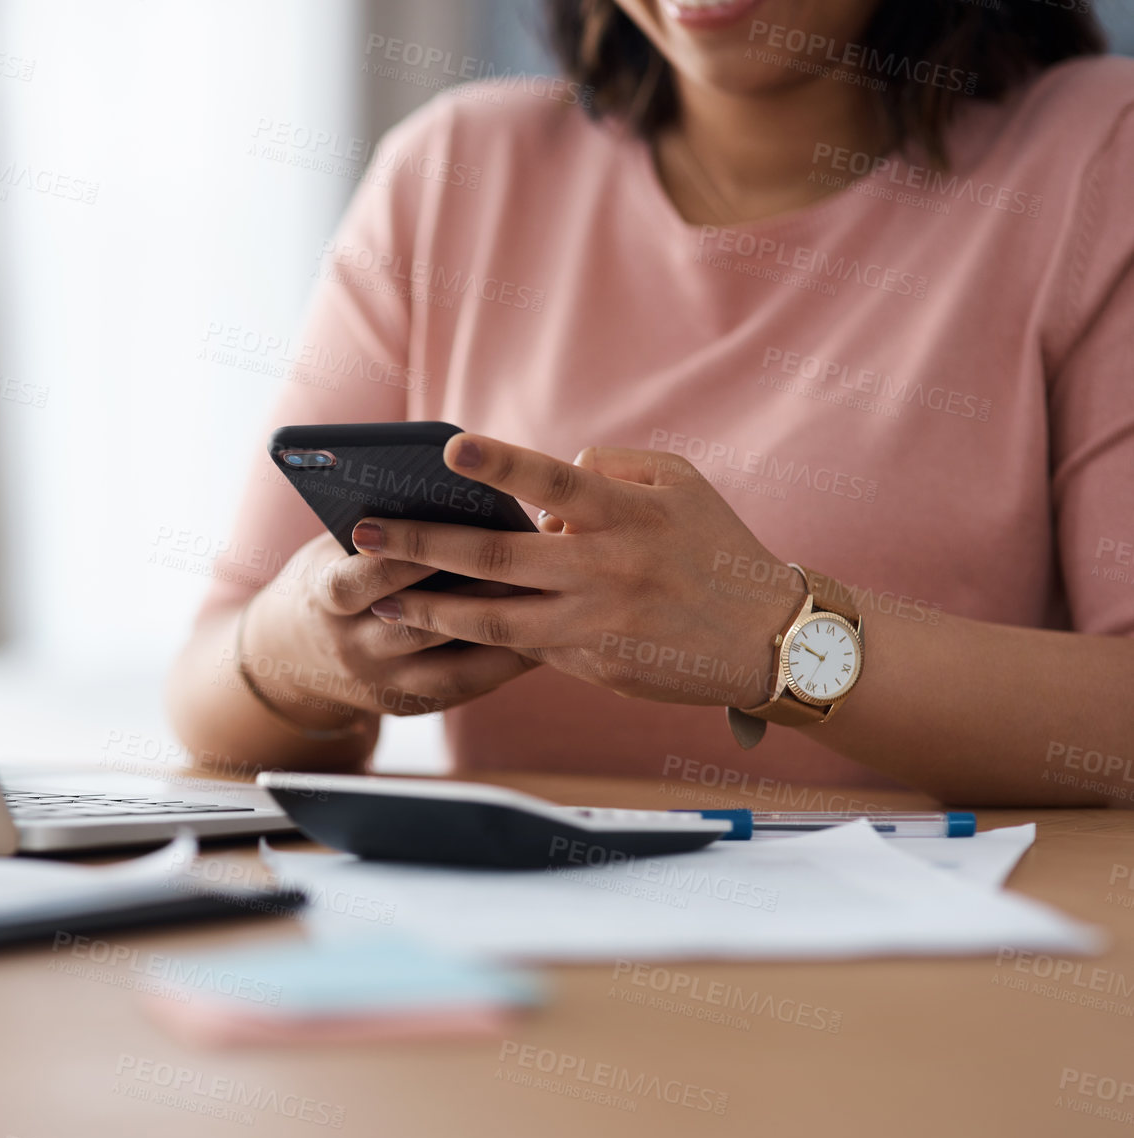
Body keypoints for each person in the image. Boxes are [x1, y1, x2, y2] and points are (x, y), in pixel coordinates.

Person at [166, 0, 1134, 806]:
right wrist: (300, 650)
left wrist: (769, 636)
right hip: (527, 985)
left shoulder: (1098, 154)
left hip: (948, 999)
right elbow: (214, 692)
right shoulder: (455, 168)